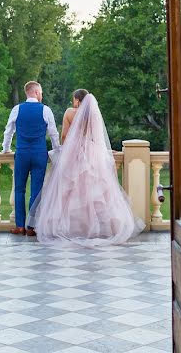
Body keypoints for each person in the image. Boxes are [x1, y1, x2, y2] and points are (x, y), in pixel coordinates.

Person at [29, 93, 145, 246]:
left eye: (73, 99)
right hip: (92, 152)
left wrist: (67, 149)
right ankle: (96, 228)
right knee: (95, 190)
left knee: (69, 191)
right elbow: (98, 138)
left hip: (74, 153)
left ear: (77, 100)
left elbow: (64, 136)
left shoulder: (70, 112)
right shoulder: (94, 114)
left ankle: (72, 228)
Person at [2, 81, 60, 236]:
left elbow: (9, 131)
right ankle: (31, 227)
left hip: (22, 154)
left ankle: (20, 226)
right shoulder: (45, 110)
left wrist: (6, 149)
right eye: (40, 92)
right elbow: (53, 133)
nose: (42, 95)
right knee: (36, 190)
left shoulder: (17, 109)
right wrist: (57, 150)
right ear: (35, 92)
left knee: (19, 189)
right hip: (39, 154)